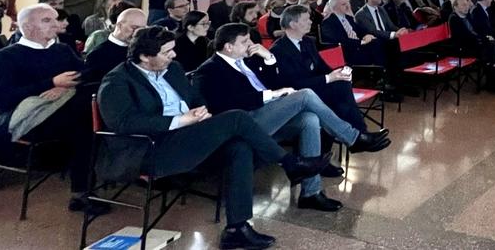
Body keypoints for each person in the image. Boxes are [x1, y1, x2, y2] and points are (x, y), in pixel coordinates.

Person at [97, 26, 332, 249]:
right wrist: (180, 120)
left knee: (239, 147)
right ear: (144, 57)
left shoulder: (173, 69)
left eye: (172, 49)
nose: (173, 55)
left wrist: (201, 111)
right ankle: (290, 164)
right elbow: (123, 123)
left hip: (187, 136)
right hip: (151, 149)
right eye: (166, 52)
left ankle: (237, 229)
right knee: (237, 118)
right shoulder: (117, 80)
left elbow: (194, 97)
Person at [194, 24, 391, 212]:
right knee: (305, 95)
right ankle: (353, 137)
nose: (251, 44)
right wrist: (271, 95)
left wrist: (269, 58)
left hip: (267, 114)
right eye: (245, 41)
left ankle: (310, 193)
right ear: (228, 47)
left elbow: (273, 82)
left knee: (310, 119)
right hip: (245, 123)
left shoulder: (247, 61)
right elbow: (221, 105)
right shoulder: (209, 69)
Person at [0, 4, 102, 214]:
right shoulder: (3, 57)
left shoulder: (62, 50)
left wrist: (64, 88)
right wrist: (51, 83)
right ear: (28, 27)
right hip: (28, 119)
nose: (56, 25)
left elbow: (87, 73)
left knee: (87, 113)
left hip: (66, 111)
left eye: (55, 19)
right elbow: (2, 99)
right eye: (47, 20)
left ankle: (84, 190)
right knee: (85, 120)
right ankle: (82, 193)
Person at [265, 5, 370, 135]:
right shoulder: (279, 50)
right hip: (299, 94)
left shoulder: (308, 41)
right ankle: (359, 134)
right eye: (306, 19)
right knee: (341, 97)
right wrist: (329, 78)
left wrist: (338, 74)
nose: (311, 22)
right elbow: (294, 83)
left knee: (342, 86)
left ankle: (357, 133)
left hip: (316, 86)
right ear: (293, 24)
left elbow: (321, 66)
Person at [448, 0, 495, 95]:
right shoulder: (454, 19)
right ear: (455, 7)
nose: (467, 7)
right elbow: (465, 37)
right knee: (494, 47)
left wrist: (485, 37)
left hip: (477, 44)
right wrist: (483, 39)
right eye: (463, 5)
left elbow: (477, 30)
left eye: (466, 4)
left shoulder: (468, 16)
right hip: (464, 48)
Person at [352, 0, 409, 93]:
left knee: (404, 44)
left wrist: (400, 31)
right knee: (392, 46)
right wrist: (394, 35)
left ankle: (403, 81)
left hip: (387, 40)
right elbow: (373, 31)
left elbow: (390, 26)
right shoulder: (361, 14)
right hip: (374, 43)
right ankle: (389, 83)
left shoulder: (381, 9)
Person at [84, 7, 146, 84]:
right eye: (134, 28)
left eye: (142, 29)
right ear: (119, 25)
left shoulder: (143, 50)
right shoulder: (96, 55)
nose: (137, 33)